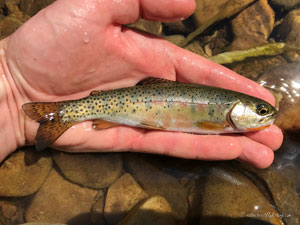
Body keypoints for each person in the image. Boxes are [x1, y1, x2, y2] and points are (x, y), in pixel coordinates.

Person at [0, 0, 283, 168]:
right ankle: (61, 114)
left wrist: (9, 78)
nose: (265, 115)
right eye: (260, 111)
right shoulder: (219, 123)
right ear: (238, 109)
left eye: (261, 112)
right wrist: (10, 75)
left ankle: (60, 114)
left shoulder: (224, 117)